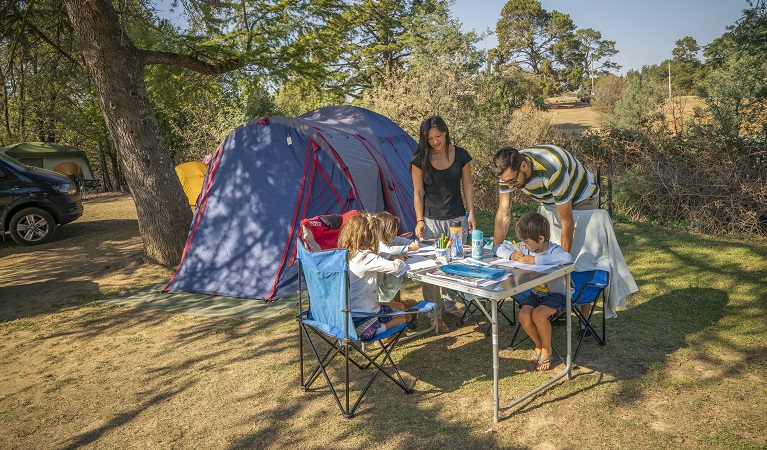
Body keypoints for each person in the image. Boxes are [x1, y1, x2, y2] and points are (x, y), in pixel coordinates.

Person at [492, 145, 599, 322]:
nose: (510, 186)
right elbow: (503, 213)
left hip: (581, 199)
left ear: (524, 166)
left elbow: (567, 221)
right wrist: (497, 252)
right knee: (543, 250)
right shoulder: (507, 173)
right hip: (549, 201)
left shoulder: (552, 168)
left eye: (512, 180)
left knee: (578, 257)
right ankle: (552, 304)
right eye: (506, 182)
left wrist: (560, 269)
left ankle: (581, 316)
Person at [411, 115, 477, 333]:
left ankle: (450, 304)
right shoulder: (419, 159)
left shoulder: (461, 155)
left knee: (455, 263)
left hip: (457, 218)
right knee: (430, 269)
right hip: (431, 221)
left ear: (445, 132)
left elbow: (467, 186)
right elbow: (418, 192)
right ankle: (434, 314)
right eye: (430, 138)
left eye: (438, 136)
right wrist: (419, 220)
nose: (435, 141)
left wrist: (471, 214)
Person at [503, 212, 574, 371]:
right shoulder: (526, 247)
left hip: (558, 294)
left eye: (526, 241)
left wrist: (537, 260)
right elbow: (498, 248)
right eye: (521, 241)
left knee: (538, 315)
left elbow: (567, 258)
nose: (523, 245)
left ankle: (547, 349)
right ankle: (539, 344)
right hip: (536, 293)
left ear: (541, 239)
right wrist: (512, 254)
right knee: (523, 315)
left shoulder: (554, 251)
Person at [337, 214, 415, 341]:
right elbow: (396, 267)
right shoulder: (366, 257)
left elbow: (377, 255)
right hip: (362, 316)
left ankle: (388, 326)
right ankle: (377, 331)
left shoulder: (348, 252)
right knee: (402, 318)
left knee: (400, 306)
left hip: (349, 311)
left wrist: (390, 256)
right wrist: (400, 259)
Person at [375, 212, 419, 308]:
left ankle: (397, 304)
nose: (394, 235)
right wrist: (408, 248)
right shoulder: (376, 241)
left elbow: (397, 239)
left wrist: (410, 242)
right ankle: (393, 307)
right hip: (377, 284)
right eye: (392, 233)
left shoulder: (388, 238)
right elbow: (388, 250)